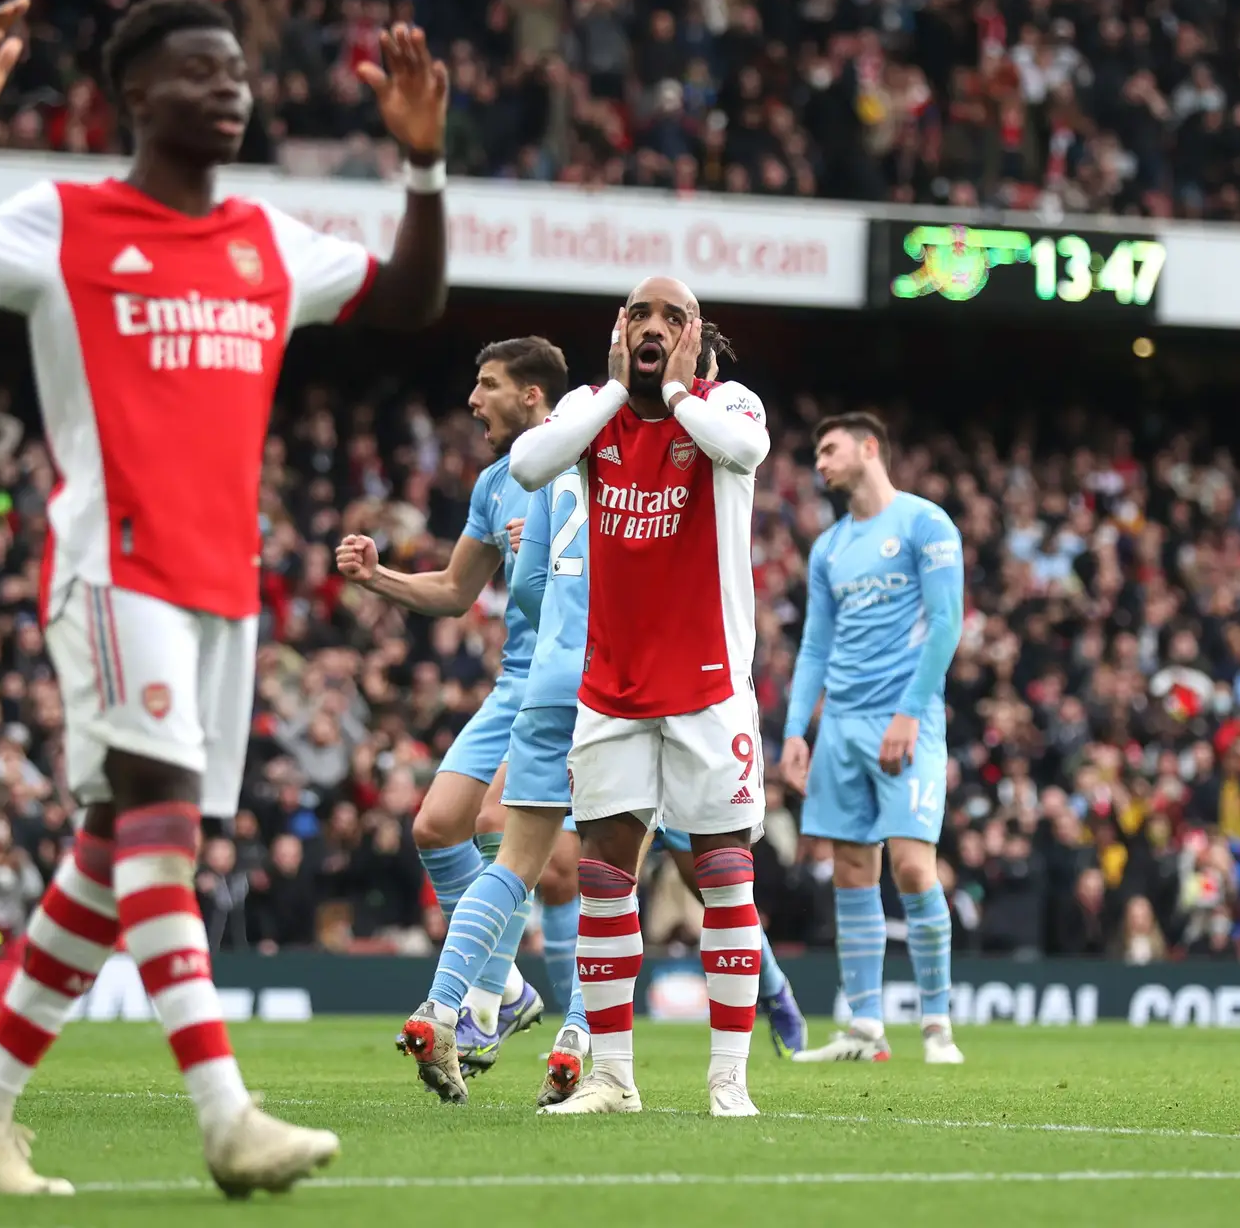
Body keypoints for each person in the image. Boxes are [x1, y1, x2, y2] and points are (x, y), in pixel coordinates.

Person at [0, 0, 448, 1197]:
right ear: (138, 96)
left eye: (238, 70)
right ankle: (225, 1114)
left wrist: (426, 166)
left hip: (221, 581)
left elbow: (409, 302)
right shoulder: (67, 219)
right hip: (110, 561)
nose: (231, 88)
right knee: (164, 826)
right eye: (201, 71)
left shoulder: (266, 238)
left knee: (108, 847)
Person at [509, 277, 771, 1119]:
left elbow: (745, 452)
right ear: (619, 330)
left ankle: (729, 1079)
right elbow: (526, 464)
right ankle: (613, 1078)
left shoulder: (728, 402)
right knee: (602, 880)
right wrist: (623, 388)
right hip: (612, 687)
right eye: (639, 316)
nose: (653, 327)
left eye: (671, 317)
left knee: (726, 876)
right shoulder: (594, 409)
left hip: (708, 685)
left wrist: (678, 390)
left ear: (695, 334)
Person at [336, 337, 565, 1072]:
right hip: (515, 680)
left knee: (501, 824)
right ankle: (511, 989)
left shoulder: (588, 463)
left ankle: (481, 1003)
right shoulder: (497, 482)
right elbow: (456, 591)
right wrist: (379, 580)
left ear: (531, 395)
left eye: (488, 384)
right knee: (436, 827)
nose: (472, 400)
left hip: (578, 682)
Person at [779, 412, 965, 1066]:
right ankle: (865, 1029)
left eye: (829, 450)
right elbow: (814, 648)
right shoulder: (828, 547)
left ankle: (938, 1025)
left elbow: (947, 623)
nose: (820, 463)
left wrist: (912, 711)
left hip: (905, 719)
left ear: (868, 448)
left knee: (914, 866)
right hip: (841, 729)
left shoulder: (924, 523)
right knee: (853, 871)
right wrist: (798, 730)